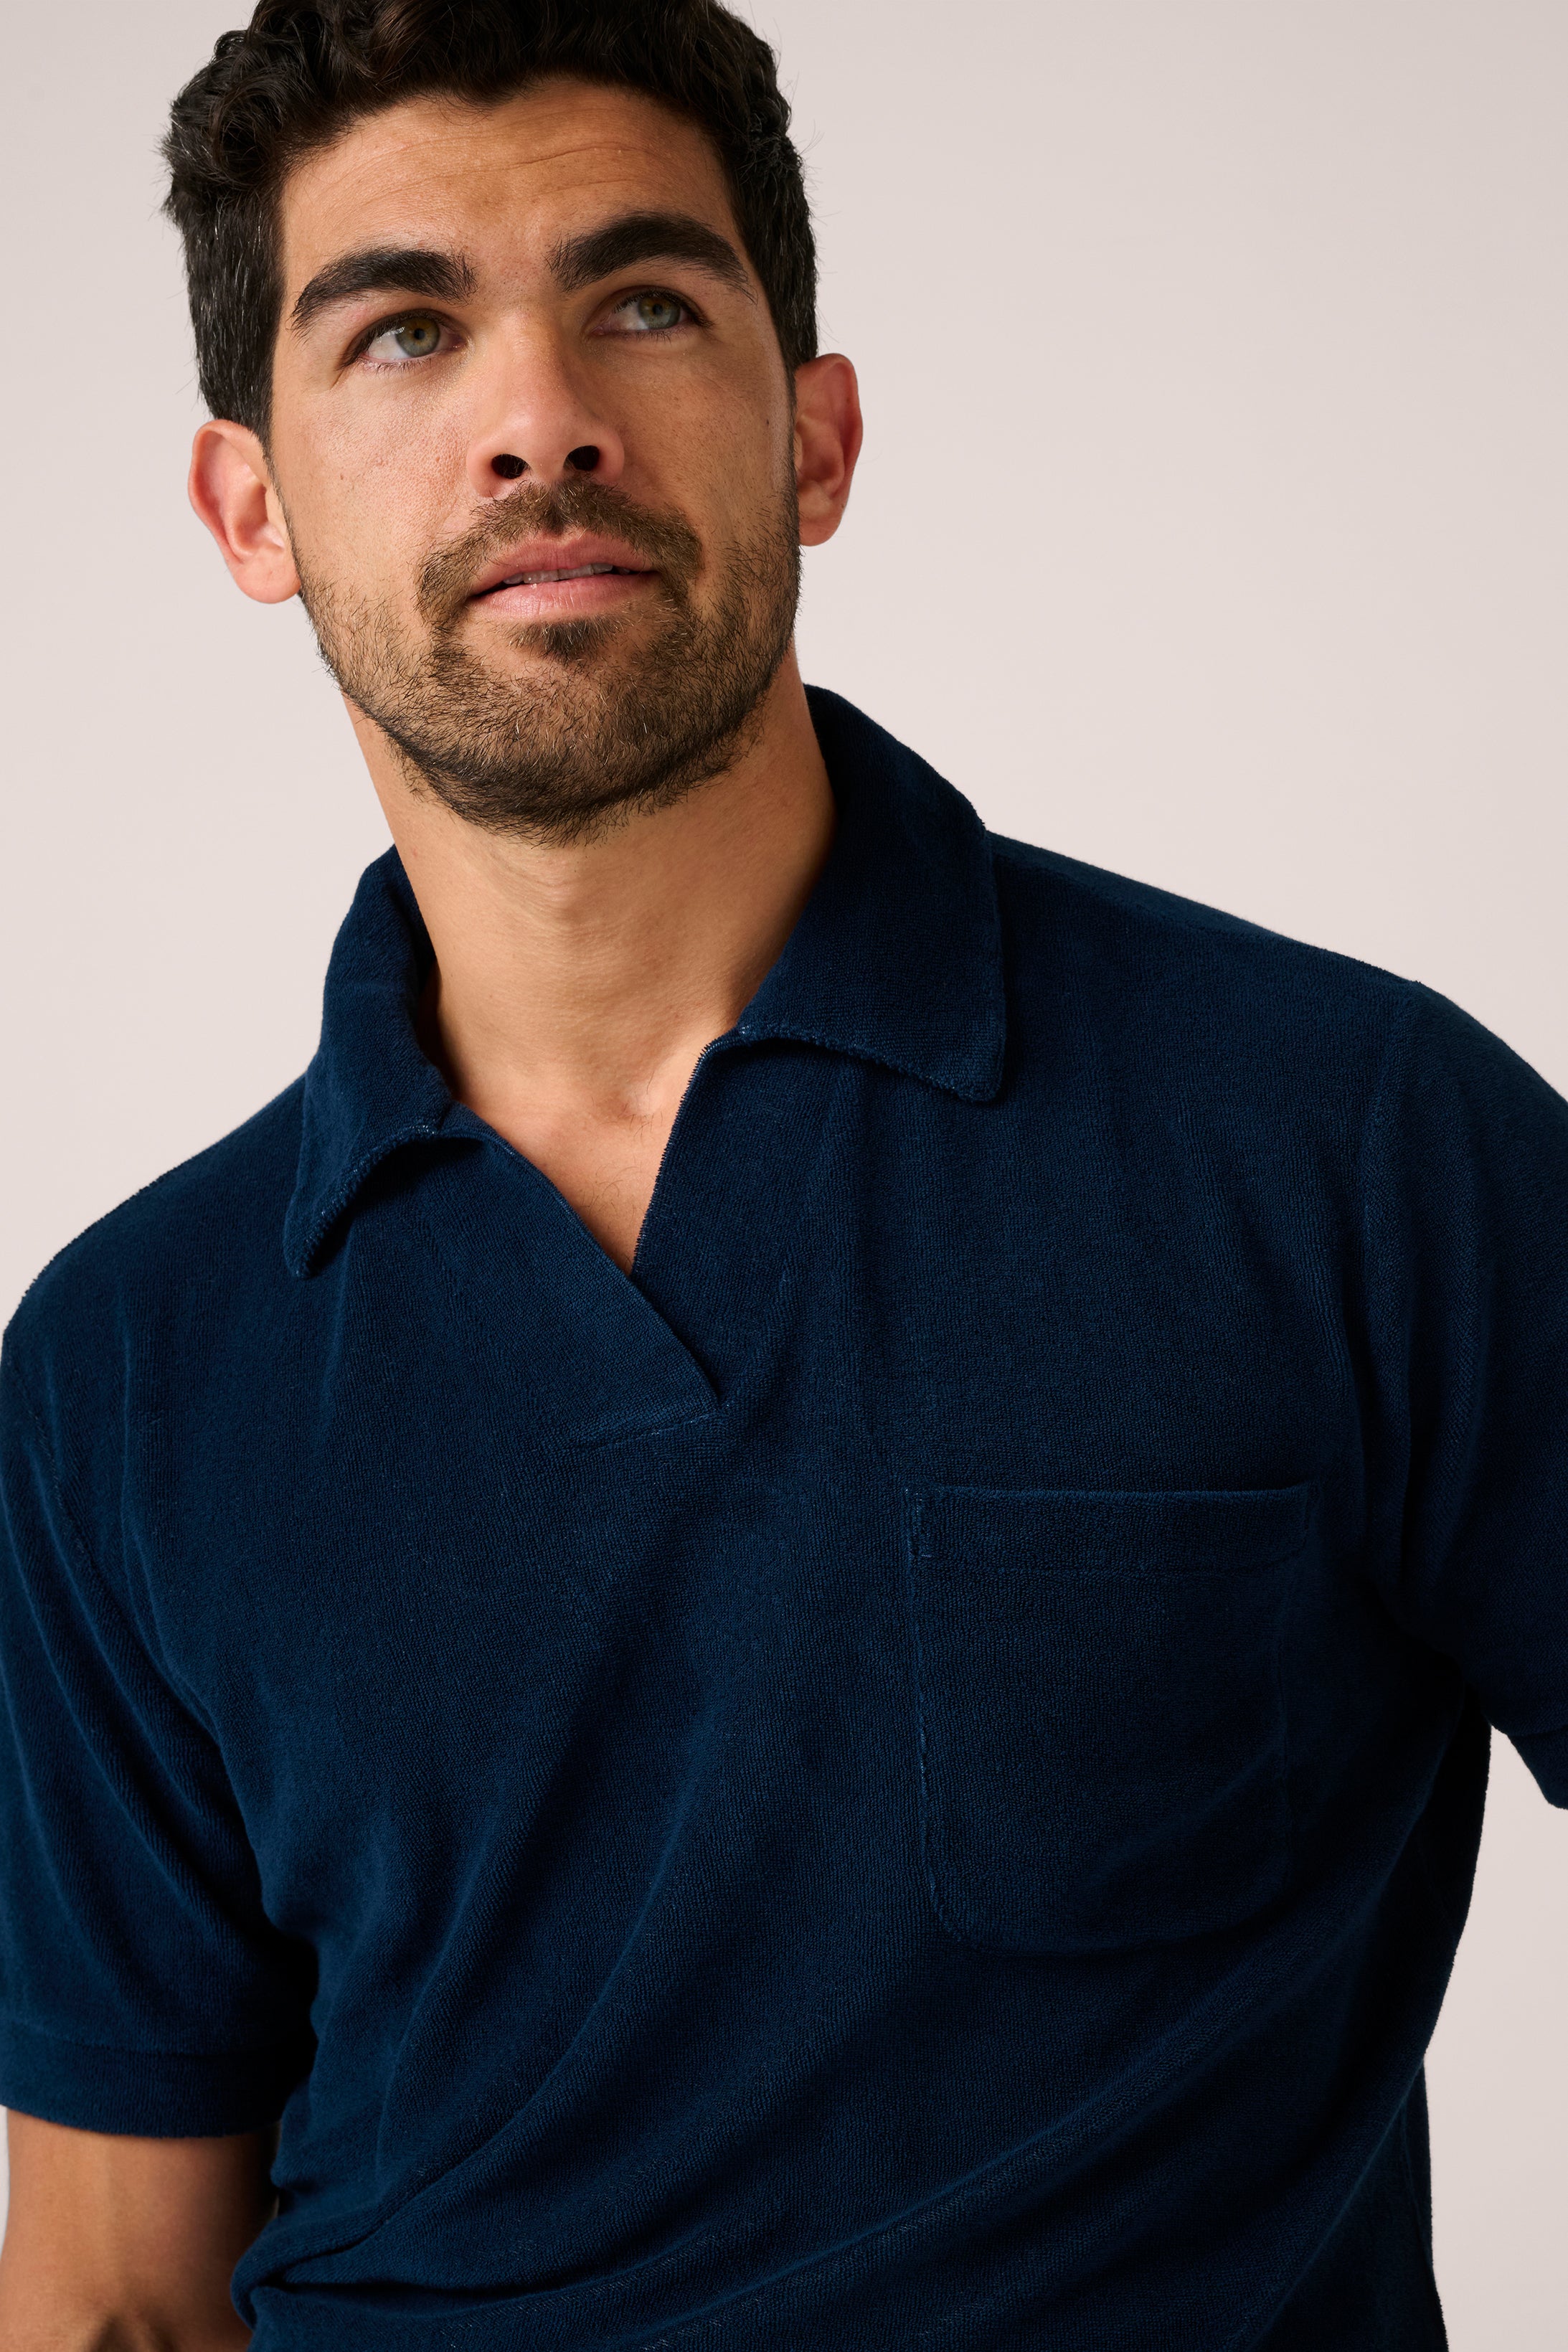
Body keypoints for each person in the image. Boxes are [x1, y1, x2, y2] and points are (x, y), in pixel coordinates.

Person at [0, 0, 1563, 2343]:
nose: (542, 417)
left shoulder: (1349, 1148)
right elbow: (118, 2295)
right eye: (405, 332)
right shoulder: (124, 1369)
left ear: (812, 435)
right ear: (253, 508)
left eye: (642, 300)